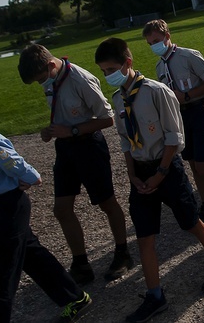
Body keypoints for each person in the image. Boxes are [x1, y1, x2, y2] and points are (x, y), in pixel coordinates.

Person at [94, 38, 204, 323]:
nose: (108, 76)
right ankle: (155, 295)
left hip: (167, 169)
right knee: (144, 237)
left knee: (192, 223)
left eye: (111, 69)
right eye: (104, 72)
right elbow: (124, 140)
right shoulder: (119, 99)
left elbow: (173, 137)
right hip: (141, 173)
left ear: (127, 63)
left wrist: (161, 173)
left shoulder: (157, 92)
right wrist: (132, 174)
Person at [0, 83, 92, 323]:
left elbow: (19, 166)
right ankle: (74, 297)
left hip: (7, 208)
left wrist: (28, 179)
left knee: (0, 276)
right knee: (32, 256)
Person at [17, 45, 132, 285]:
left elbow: (107, 118)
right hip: (66, 148)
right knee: (61, 209)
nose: (41, 84)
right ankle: (81, 263)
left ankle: (123, 252)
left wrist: (73, 129)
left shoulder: (81, 79)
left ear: (50, 65)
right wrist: (49, 130)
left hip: (89, 145)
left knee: (106, 202)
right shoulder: (51, 79)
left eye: (40, 78)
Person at [143, 19, 204, 225]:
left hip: (197, 110)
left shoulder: (188, 56)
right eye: (150, 43)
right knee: (194, 165)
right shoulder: (160, 65)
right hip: (180, 116)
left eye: (157, 41)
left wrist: (186, 96)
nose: (154, 46)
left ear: (167, 37)